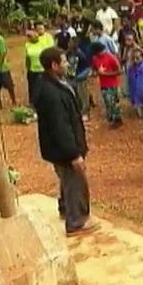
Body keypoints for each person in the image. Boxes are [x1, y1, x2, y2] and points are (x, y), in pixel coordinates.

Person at [32, 47, 98, 236]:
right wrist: (74, 154)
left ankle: (65, 209)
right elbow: (61, 128)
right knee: (75, 181)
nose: (68, 64)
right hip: (64, 149)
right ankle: (76, 221)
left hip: (57, 148)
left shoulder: (48, 82)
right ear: (54, 65)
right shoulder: (51, 94)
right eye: (64, 61)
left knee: (66, 181)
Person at [90, 41, 123, 128]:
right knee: (108, 102)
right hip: (104, 84)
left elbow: (119, 71)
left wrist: (105, 74)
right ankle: (113, 119)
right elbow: (94, 69)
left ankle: (117, 120)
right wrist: (95, 73)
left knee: (114, 103)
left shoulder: (110, 57)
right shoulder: (95, 59)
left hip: (113, 84)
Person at [24, 26, 53, 107]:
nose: (30, 38)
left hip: (42, 69)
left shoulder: (42, 43)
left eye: (31, 36)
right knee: (33, 88)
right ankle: (33, 105)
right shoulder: (27, 45)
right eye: (29, 37)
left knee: (44, 87)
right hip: (33, 70)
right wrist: (28, 69)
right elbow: (27, 58)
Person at [64, 38, 92, 122]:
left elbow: (86, 66)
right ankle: (78, 111)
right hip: (71, 76)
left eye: (71, 43)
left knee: (82, 94)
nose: (69, 44)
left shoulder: (79, 53)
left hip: (80, 76)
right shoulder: (68, 52)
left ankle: (85, 113)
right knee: (75, 94)